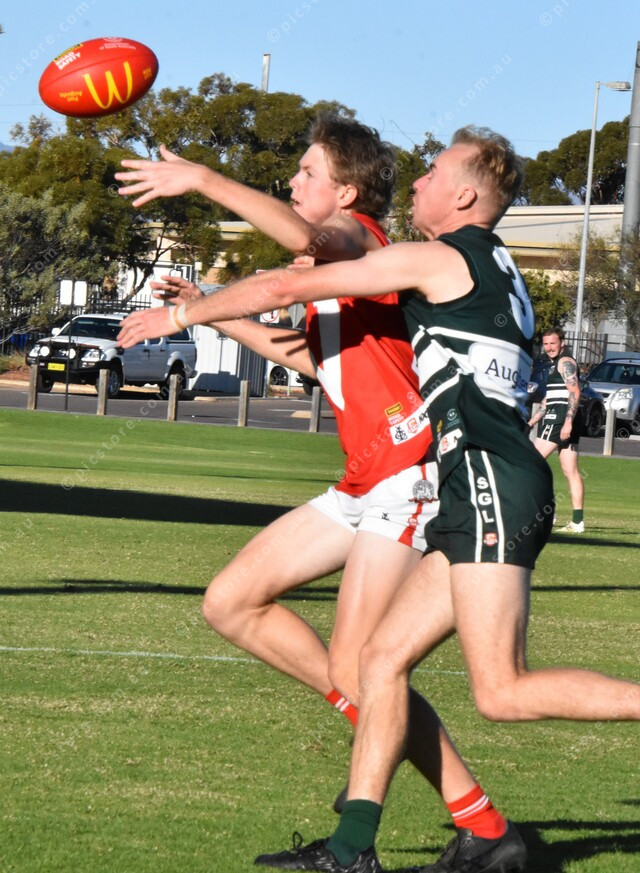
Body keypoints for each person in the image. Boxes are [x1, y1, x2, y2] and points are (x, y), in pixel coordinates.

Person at [119, 124, 640, 873]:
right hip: (416, 477)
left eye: (306, 171)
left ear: (463, 195)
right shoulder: (456, 262)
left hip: (438, 475)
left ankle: (431, 815)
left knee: (496, 689)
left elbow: (292, 266)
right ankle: (374, 838)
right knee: (344, 650)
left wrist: (198, 202)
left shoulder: (390, 244)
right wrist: (215, 307)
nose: (420, 182)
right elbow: (310, 345)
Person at [528, 328, 585, 532]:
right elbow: (549, 400)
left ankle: (547, 513)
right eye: (546, 344)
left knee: (530, 463)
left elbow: (575, 390)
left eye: (553, 343)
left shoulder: (565, 362)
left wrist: (568, 422)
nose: (549, 347)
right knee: (570, 471)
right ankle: (577, 522)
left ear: (562, 343)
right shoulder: (554, 365)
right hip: (560, 416)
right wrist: (531, 422)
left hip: (560, 419)